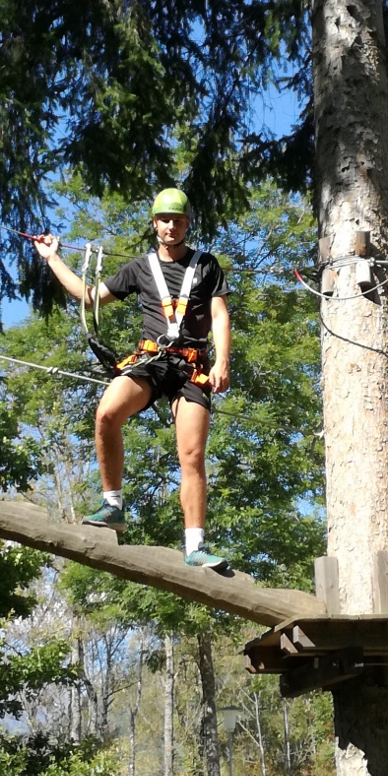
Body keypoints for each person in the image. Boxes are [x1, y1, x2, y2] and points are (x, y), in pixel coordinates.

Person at [33, 188, 231, 571]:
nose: (170, 227)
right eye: (164, 220)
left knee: (191, 456)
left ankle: (196, 547)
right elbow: (89, 298)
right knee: (107, 412)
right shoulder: (139, 268)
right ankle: (113, 506)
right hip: (152, 360)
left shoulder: (207, 266)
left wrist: (223, 361)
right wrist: (53, 258)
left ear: (187, 224)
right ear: (154, 224)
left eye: (177, 220)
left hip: (192, 365)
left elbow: (220, 316)